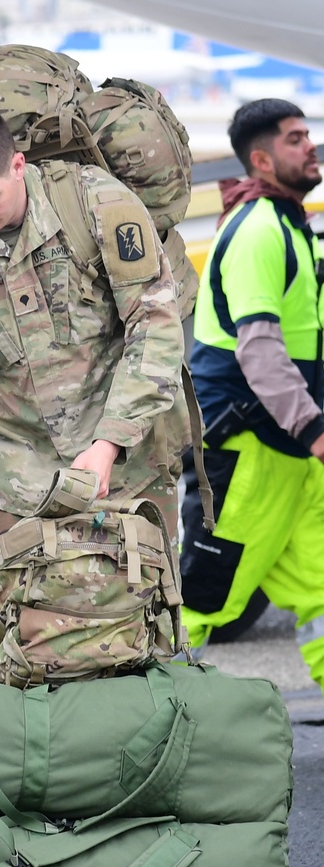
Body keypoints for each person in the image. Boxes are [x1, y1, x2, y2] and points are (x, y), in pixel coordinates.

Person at [0, 102, 191, 584]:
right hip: (14, 490)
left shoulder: (97, 206)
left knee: (144, 623)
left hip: (130, 468)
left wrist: (109, 442)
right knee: (21, 644)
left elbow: (155, 327)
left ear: (18, 166)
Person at [178, 98, 324, 690]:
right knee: (204, 594)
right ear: (261, 159)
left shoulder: (294, 226)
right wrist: (315, 431)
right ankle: (135, 724)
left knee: (320, 583)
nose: (310, 145)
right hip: (248, 448)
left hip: (287, 448)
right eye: (294, 139)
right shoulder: (258, 230)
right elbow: (258, 350)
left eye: (308, 134)